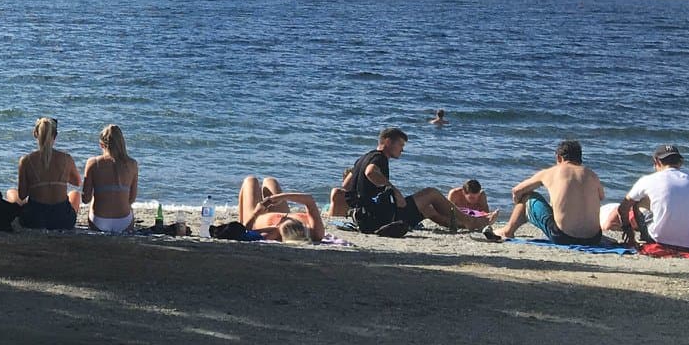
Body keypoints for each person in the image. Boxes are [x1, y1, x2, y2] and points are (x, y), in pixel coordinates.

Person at [334, 127, 465, 236]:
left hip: (364, 219)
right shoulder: (380, 158)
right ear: (388, 141)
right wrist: (394, 191)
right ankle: (470, 221)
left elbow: (346, 184)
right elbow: (370, 172)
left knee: (427, 210)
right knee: (432, 193)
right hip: (381, 219)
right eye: (400, 145)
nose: (402, 149)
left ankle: (460, 224)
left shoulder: (363, 158)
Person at [494, 140, 609, 245]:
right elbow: (601, 196)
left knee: (528, 196)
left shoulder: (551, 172)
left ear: (559, 158)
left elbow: (517, 190)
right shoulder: (592, 175)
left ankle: (507, 231)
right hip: (593, 239)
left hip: (564, 237)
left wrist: (519, 203)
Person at [618, 144, 689, 250]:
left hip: (660, 241)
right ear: (680, 162)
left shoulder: (647, 180)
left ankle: (638, 237)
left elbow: (623, 208)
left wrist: (628, 230)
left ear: (657, 162)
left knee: (639, 202)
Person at [10, 117, 79, 231]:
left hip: (35, 219)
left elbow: (22, 195)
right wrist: (59, 178)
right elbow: (77, 182)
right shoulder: (66, 158)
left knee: (11, 192)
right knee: (75, 194)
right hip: (63, 221)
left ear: (35, 134)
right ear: (55, 136)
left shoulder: (26, 160)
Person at [81, 125, 139, 233]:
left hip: (99, 221)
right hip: (124, 222)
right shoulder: (132, 164)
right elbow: (131, 199)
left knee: (95, 198)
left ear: (101, 145)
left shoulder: (93, 163)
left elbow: (85, 199)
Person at [237, 176, 326, 241]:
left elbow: (244, 231)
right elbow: (309, 200)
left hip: (258, 218)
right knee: (270, 181)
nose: (283, 218)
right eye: (285, 220)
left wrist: (256, 213)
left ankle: (240, 219)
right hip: (279, 211)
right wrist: (280, 198)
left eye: (282, 221)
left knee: (250, 181)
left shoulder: (274, 232)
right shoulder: (316, 232)